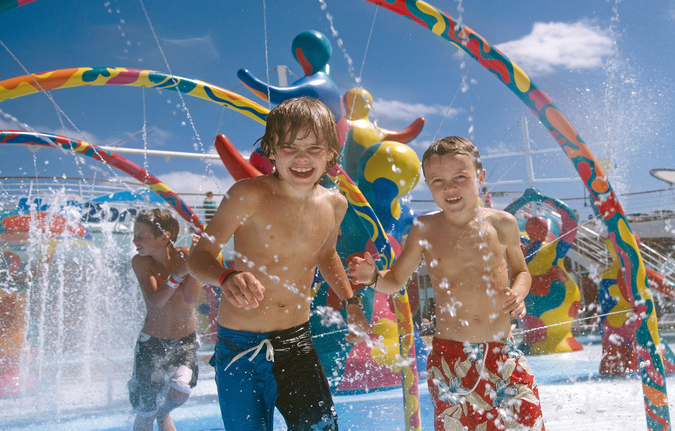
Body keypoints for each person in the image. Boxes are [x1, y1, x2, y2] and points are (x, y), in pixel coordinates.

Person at [187, 97, 369, 431]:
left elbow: (326, 255)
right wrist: (225, 276)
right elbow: (198, 258)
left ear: (330, 154)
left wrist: (351, 302)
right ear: (271, 149)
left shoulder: (335, 204)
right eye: (289, 147)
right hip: (240, 348)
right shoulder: (247, 194)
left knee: (322, 428)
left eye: (314, 148)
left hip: (297, 343)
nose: (302, 158)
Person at [347, 136, 544, 431]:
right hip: (450, 358)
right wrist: (373, 277)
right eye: (438, 180)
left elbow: (522, 272)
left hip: (502, 351)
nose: (449, 188)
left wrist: (518, 293)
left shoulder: (502, 224)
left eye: (460, 177)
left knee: (527, 421)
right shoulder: (425, 229)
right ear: (428, 183)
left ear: (480, 177)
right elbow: (396, 279)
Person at [129, 208, 202, 431]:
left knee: (180, 390)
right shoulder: (141, 262)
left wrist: (195, 263)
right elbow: (156, 301)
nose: (134, 240)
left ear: (164, 237)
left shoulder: (186, 256)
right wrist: (178, 274)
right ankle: (157, 415)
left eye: (140, 235)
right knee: (146, 410)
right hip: (151, 344)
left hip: (184, 341)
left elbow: (190, 298)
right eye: (134, 235)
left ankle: (163, 414)